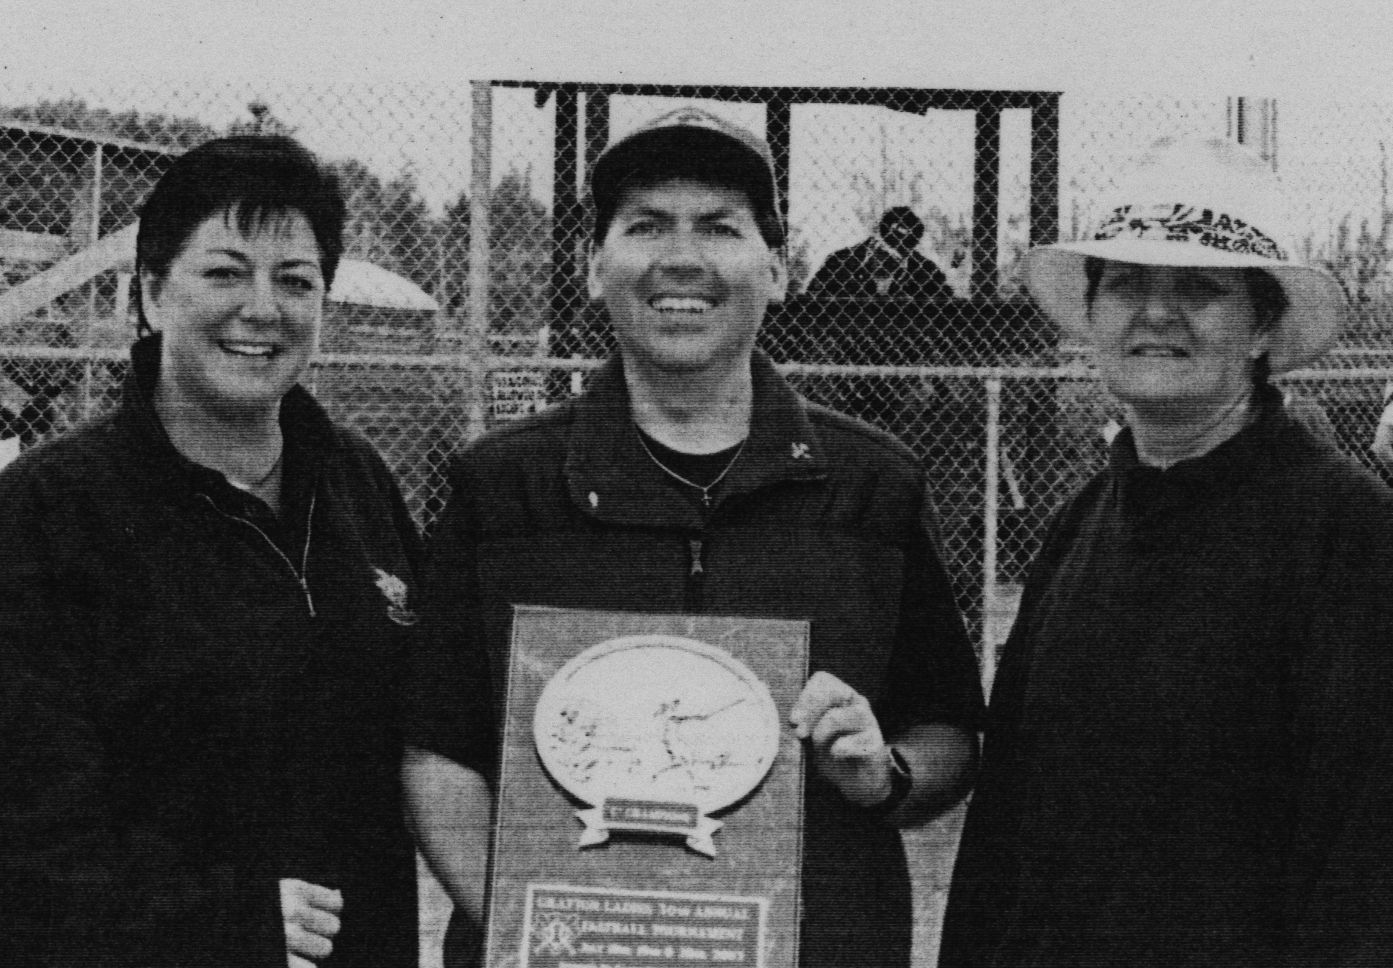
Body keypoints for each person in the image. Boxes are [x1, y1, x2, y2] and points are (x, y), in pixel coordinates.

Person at [401, 106, 983, 968]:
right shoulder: (499, 487)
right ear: (594, 268)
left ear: (778, 269)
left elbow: (950, 732)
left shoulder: (873, 486)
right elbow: (435, 749)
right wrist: (536, 928)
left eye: (718, 226)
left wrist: (883, 772)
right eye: (644, 226)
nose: (680, 257)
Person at [0, 135, 422, 968]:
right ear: (153, 295)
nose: (262, 308)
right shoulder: (49, 510)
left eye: (295, 281)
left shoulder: (355, 483)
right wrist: (218, 925)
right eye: (225, 273)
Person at [939, 137, 1393, 968]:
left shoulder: (1348, 534)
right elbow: (1005, 823)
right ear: (1094, 313)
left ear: (1261, 326)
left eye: (1198, 288)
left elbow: (1363, 864)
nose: (1154, 312)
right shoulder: (1082, 522)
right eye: (1126, 284)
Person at [808, 205, 952, 300]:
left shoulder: (926, 271)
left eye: (898, 257)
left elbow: (948, 306)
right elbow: (810, 302)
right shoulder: (839, 263)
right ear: (875, 239)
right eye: (884, 250)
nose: (888, 259)